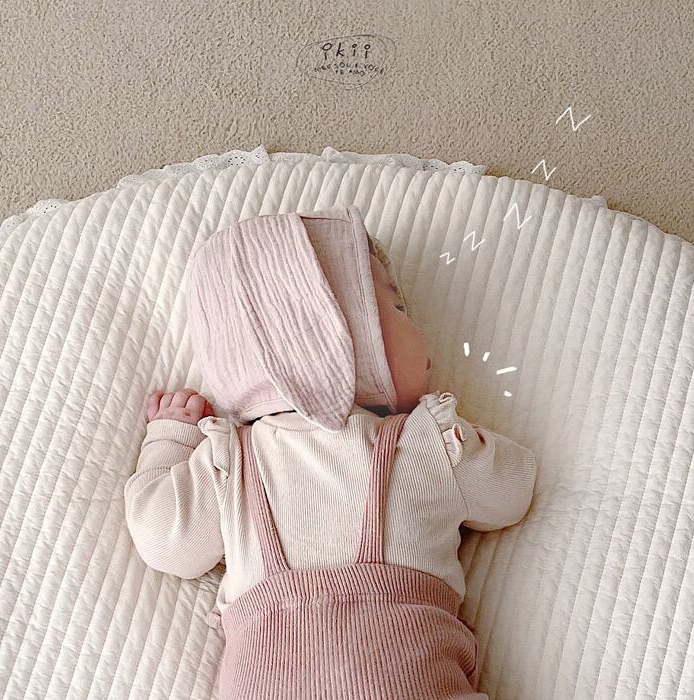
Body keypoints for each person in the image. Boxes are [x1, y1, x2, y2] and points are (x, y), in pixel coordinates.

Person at [124, 204, 537, 698]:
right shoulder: (425, 443)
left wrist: (171, 438)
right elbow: (511, 492)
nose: (419, 332)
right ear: (335, 339)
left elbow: (164, 540)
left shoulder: (230, 461)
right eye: (397, 308)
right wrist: (458, 439)